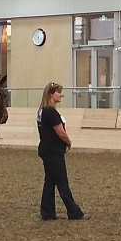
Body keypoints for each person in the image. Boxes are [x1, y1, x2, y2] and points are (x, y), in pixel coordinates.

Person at [36, 82, 88, 221]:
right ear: (51, 94)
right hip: (53, 151)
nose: (61, 95)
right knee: (62, 181)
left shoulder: (42, 111)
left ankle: (47, 212)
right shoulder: (50, 112)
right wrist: (68, 142)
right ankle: (74, 211)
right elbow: (61, 132)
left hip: (46, 149)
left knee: (50, 181)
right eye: (58, 92)